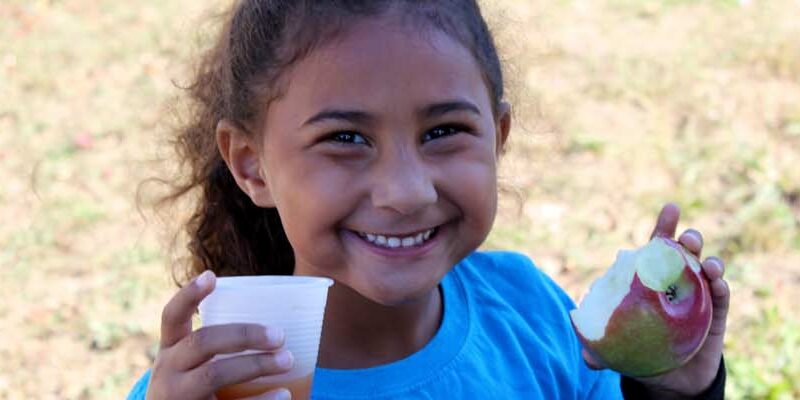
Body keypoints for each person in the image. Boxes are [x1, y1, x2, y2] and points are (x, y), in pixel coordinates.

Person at [127, 1, 730, 399]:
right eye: (345, 139)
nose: (405, 192)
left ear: (498, 138)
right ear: (251, 165)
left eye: (443, 132)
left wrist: (670, 391)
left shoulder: (531, 315)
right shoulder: (213, 386)